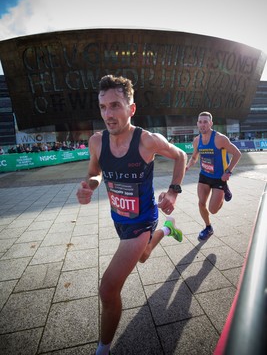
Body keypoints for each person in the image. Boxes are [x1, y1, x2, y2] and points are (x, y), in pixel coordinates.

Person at [76, 75, 187, 355]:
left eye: (115, 106)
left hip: (142, 219)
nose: (108, 115)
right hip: (119, 219)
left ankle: (103, 348)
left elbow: (181, 156)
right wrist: (90, 186)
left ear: (131, 109)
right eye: (103, 107)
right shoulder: (97, 142)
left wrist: (173, 191)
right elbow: (95, 172)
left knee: (107, 289)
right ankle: (167, 229)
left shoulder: (148, 141)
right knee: (145, 256)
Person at [186, 111, 241, 240]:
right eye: (200, 122)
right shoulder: (197, 140)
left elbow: (237, 154)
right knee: (201, 203)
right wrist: (188, 165)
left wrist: (228, 172)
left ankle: (224, 189)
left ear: (211, 123)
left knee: (213, 210)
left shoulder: (220, 138)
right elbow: (194, 157)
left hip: (219, 178)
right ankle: (208, 227)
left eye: (205, 122)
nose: (202, 125)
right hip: (204, 176)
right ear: (197, 124)